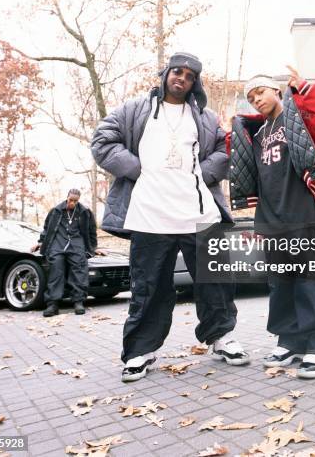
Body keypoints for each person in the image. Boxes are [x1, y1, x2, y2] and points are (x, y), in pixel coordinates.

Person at [91, 52, 249, 382]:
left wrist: (202, 174)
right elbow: (102, 140)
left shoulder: (204, 118)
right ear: (166, 74)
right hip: (150, 213)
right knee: (149, 286)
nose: (182, 78)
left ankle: (220, 338)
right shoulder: (135, 110)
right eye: (177, 71)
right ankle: (139, 352)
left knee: (216, 281)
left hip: (198, 210)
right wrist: (137, 170)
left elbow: (224, 151)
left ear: (195, 82)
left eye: (190, 75)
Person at [229, 66, 315, 378]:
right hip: (270, 219)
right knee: (281, 284)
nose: (256, 99)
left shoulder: (300, 118)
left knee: (310, 281)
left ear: (277, 91)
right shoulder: (253, 133)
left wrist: (307, 88)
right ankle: (291, 339)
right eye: (251, 97)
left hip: (302, 212)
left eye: (261, 91)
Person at [32, 189, 97, 317]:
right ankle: (53, 304)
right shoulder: (56, 211)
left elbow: (91, 231)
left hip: (77, 243)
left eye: (75, 201)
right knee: (55, 270)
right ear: (67, 197)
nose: (72, 203)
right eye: (70, 200)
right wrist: (40, 242)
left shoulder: (84, 212)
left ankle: (78, 302)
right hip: (58, 243)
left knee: (79, 270)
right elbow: (47, 229)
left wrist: (93, 248)